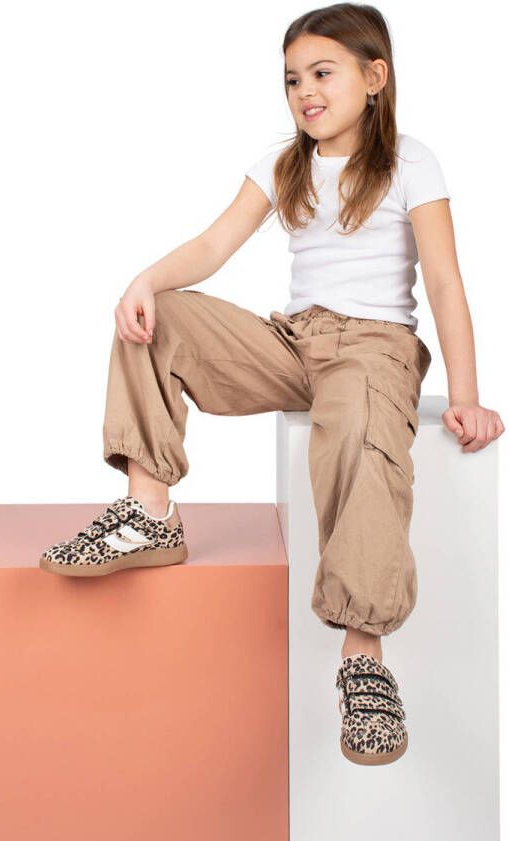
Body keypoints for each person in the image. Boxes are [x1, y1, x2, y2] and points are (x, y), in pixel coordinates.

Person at [39, 3, 504, 764]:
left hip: (374, 348)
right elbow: (215, 244)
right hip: (294, 340)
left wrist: (465, 396)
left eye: (322, 73)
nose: (304, 92)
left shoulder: (411, 162)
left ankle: (363, 654)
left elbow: (446, 283)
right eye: (292, 80)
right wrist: (145, 281)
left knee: (356, 433)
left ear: (375, 77)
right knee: (160, 318)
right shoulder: (283, 164)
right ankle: (150, 511)